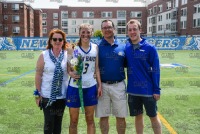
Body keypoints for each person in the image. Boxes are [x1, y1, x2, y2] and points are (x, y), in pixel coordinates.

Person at [125, 19, 162, 134]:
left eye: (135, 29)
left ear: (140, 30)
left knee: (153, 116)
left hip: (148, 91)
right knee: (138, 117)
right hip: (133, 91)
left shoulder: (150, 48)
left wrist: (156, 89)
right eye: (130, 30)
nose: (132, 32)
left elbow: (156, 70)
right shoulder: (126, 48)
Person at [34, 29, 73, 134]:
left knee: (58, 124)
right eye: (54, 39)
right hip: (47, 96)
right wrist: (37, 94)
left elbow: (71, 71)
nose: (57, 41)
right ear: (50, 41)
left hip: (62, 96)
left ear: (63, 41)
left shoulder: (66, 55)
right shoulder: (44, 55)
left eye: (60, 39)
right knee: (48, 124)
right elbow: (38, 75)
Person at [66, 23, 102, 134]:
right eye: (83, 32)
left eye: (88, 32)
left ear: (91, 33)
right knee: (73, 120)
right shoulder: (73, 48)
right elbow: (69, 68)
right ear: (79, 33)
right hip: (74, 87)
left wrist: (99, 85)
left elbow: (96, 68)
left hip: (90, 87)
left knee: (90, 120)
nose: (85, 35)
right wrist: (70, 73)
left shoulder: (95, 47)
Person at [95, 19, 128, 134]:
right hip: (102, 86)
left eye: (109, 27)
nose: (107, 30)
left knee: (121, 116)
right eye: (104, 28)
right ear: (102, 30)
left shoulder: (123, 46)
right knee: (103, 117)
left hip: (119, 86)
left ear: (114, 29)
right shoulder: (97, 47)